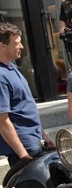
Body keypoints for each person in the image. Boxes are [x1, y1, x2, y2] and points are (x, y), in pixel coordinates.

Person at [0, 22, 53, 167]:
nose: (22, 47)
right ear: (2, 46)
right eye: (17, 43)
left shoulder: (11, 67)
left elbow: (25, 105)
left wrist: (42, 134)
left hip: (34, 141)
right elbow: (2, 121)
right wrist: (23, 154)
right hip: (24, 149)